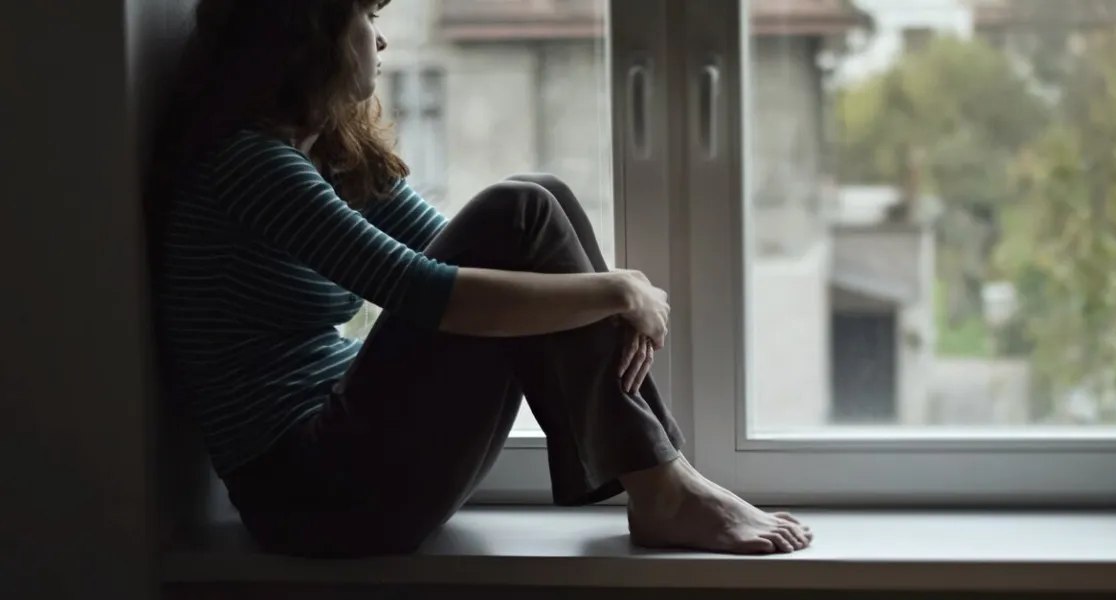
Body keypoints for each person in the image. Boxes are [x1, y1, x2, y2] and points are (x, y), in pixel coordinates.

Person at [153, 0, 813, 558]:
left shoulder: (319, 152)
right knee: (521, 210)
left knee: (535, 197)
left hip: (347, 466)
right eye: (366, 15)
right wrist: (618, 290)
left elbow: (468, 256)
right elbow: (427, 290)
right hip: (312, 494)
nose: (380, 38)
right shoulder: (249, 166)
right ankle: (663, 487)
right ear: (312, 34)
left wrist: (604, 290)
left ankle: (664, 482)